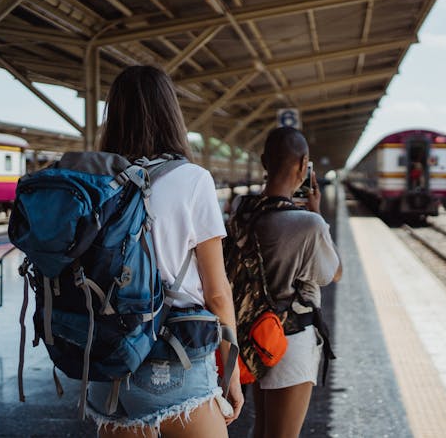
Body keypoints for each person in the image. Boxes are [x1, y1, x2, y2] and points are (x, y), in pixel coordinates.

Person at [86, 66, 244, 437]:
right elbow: (217, 293)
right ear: (170, 114)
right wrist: (232, 372)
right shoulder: (193, 180)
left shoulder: (94, 182)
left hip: (106, 365)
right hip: (174, 361)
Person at [230, 127, 341, 438]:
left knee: (260, 428)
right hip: (289, 339)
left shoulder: (242, 210)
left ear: (265, 161)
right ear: (304, 164)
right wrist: (318, 213)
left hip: (252, 335)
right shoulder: (309, 223)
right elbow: (333, 273)